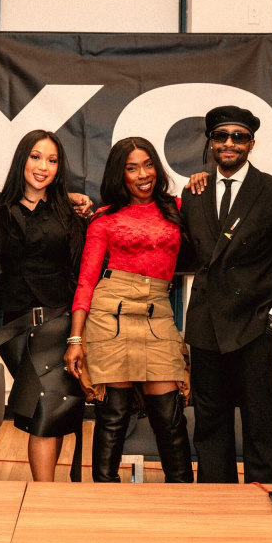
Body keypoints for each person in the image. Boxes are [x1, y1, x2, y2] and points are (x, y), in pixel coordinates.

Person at [179, 106, 272, 485]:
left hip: (256, 324)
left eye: (239, 136)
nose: (230, 143)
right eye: (221, 136)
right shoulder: (193, 193)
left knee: (260, 420)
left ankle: (266, 501)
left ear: (252, 142)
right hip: (206, 324)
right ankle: (216, 504)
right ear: (211, 143)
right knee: (209, 421)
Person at [64, 137, 193, 483]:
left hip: (158, 312)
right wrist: (76, 338)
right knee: (113, 416)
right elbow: (86, 281)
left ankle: (185, 500)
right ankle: (105, 498)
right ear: (119, 174)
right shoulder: (105, 218)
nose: (143, 174)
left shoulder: (177, 207)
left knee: (169, 416)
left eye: (148, 164)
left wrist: (201, 181)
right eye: (132, 167)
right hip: (110, 314)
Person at [0, 130, 88, 482]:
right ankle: (48, 495)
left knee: (49, 405)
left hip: (59, 323)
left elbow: (80, 275)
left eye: (52, 160)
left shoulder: (71, 214)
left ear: (59, 169)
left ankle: (44, 496)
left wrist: (79, 331)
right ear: (21, 160)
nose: (42, 166)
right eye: (35, 156)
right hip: (13, 327)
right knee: (50, 407)